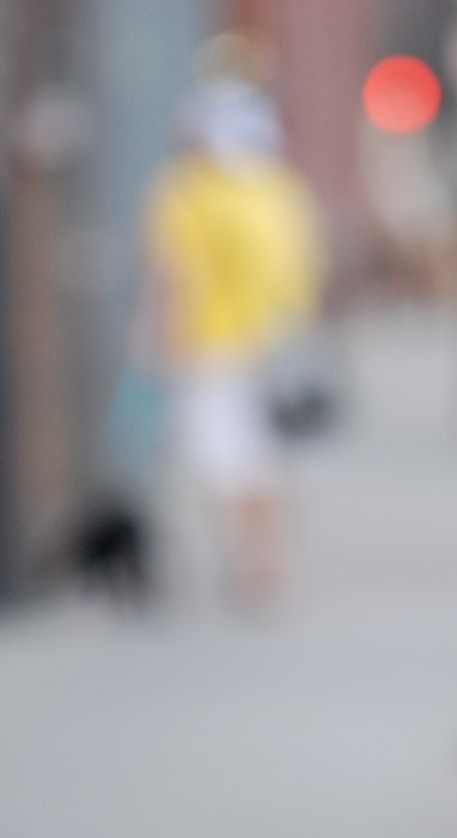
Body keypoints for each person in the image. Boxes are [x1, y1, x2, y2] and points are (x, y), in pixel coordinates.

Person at [141, 73, 322, 603]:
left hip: (210, 348)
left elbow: (172, 273)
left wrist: (153, 338)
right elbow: (306, 267)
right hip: (274, 346)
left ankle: (247, 562)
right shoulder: (279, 187)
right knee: (263, 460)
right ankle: (265, 559)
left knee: (222, 464)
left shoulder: (186, 189)